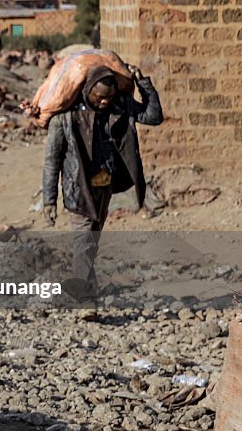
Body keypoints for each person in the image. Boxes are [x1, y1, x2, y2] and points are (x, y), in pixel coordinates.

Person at [42, 64, 162, 303]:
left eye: (108, 97)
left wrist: (143, 83)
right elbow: (51, 161)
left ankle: (86, 285)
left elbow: (153, 116)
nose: (105, 102)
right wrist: (49, 201)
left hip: (104, 186)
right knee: (83, 241)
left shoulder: (120, 106)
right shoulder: (66, 118)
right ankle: (86, 300)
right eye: (99, 98)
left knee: (92, 241)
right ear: (87, 92)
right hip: (78, 188)